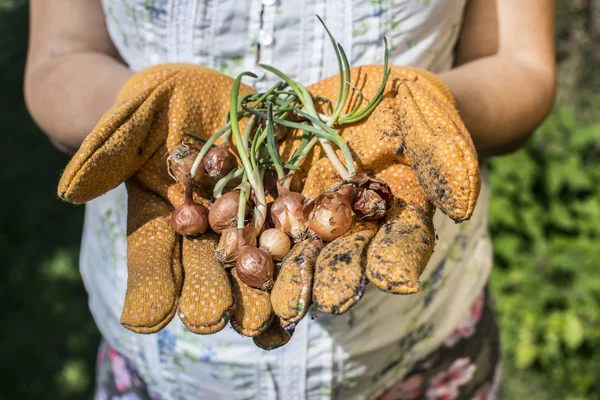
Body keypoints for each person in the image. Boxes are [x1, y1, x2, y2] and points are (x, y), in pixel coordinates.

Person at [24, 0, 556, 399]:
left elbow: (521, 65)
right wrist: (148, 112)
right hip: (168, 368)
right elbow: (60, 56)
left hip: (415, 350)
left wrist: (420, 113)